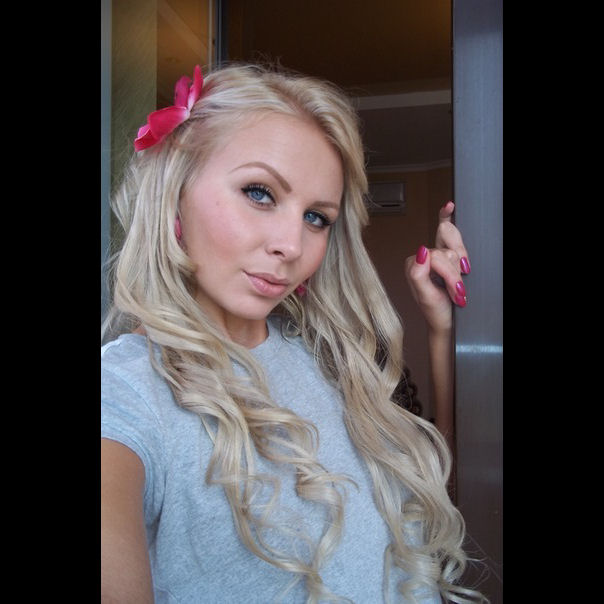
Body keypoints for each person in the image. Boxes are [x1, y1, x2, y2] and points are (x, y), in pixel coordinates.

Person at [101, 63, 485, 603]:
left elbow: (428, 511)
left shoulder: (329, 359)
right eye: (259, 193)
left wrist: (442, 333)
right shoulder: (125, 394)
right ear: (175, 187)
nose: (292, 244)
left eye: (316, 218)